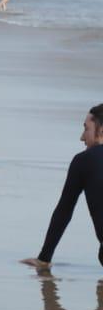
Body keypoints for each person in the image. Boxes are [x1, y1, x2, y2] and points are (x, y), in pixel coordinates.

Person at [23, 105, 103, 271]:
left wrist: (44, 259)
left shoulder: (83, 161)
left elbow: (64, 211)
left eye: (86, 129)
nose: (82, 137)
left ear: (101, 130)